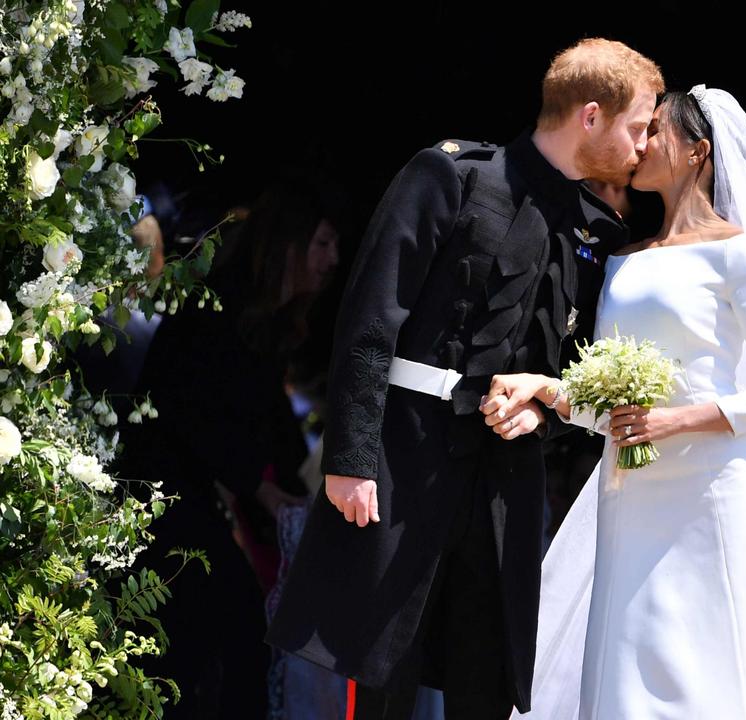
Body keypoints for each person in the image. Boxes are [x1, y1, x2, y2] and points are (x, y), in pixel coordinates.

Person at [263, 39, 664, 720]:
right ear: (590, 116)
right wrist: (351, 457)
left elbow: (575, 363)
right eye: (638, 125)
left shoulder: (593, 229)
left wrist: (542, 406)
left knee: (484, 678)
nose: (643, 146)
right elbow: (369, 318)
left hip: (505, 479)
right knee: (384, 668)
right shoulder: (450, 176)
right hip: (406, 457)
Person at [483, 86, 746, 719]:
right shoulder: (621, 261)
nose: (639, 145)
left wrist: (674, 420)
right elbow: (611, 404)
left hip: (715, 490)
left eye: (656, 132)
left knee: (719, 668)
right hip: (631, 496)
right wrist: (547, 389)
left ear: (697, 152)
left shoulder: (739, 252)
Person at [115, 181, 338, 718]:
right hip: (159, 493)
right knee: (226, 635)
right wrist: (264, 491)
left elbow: (274, 428)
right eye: (323, 243)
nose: (335, 259)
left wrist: (307, 496)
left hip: (196, 495)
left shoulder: (267, 323)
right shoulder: (219, 306)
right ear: (289, 242)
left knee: (223, 641)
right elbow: (190, 415)